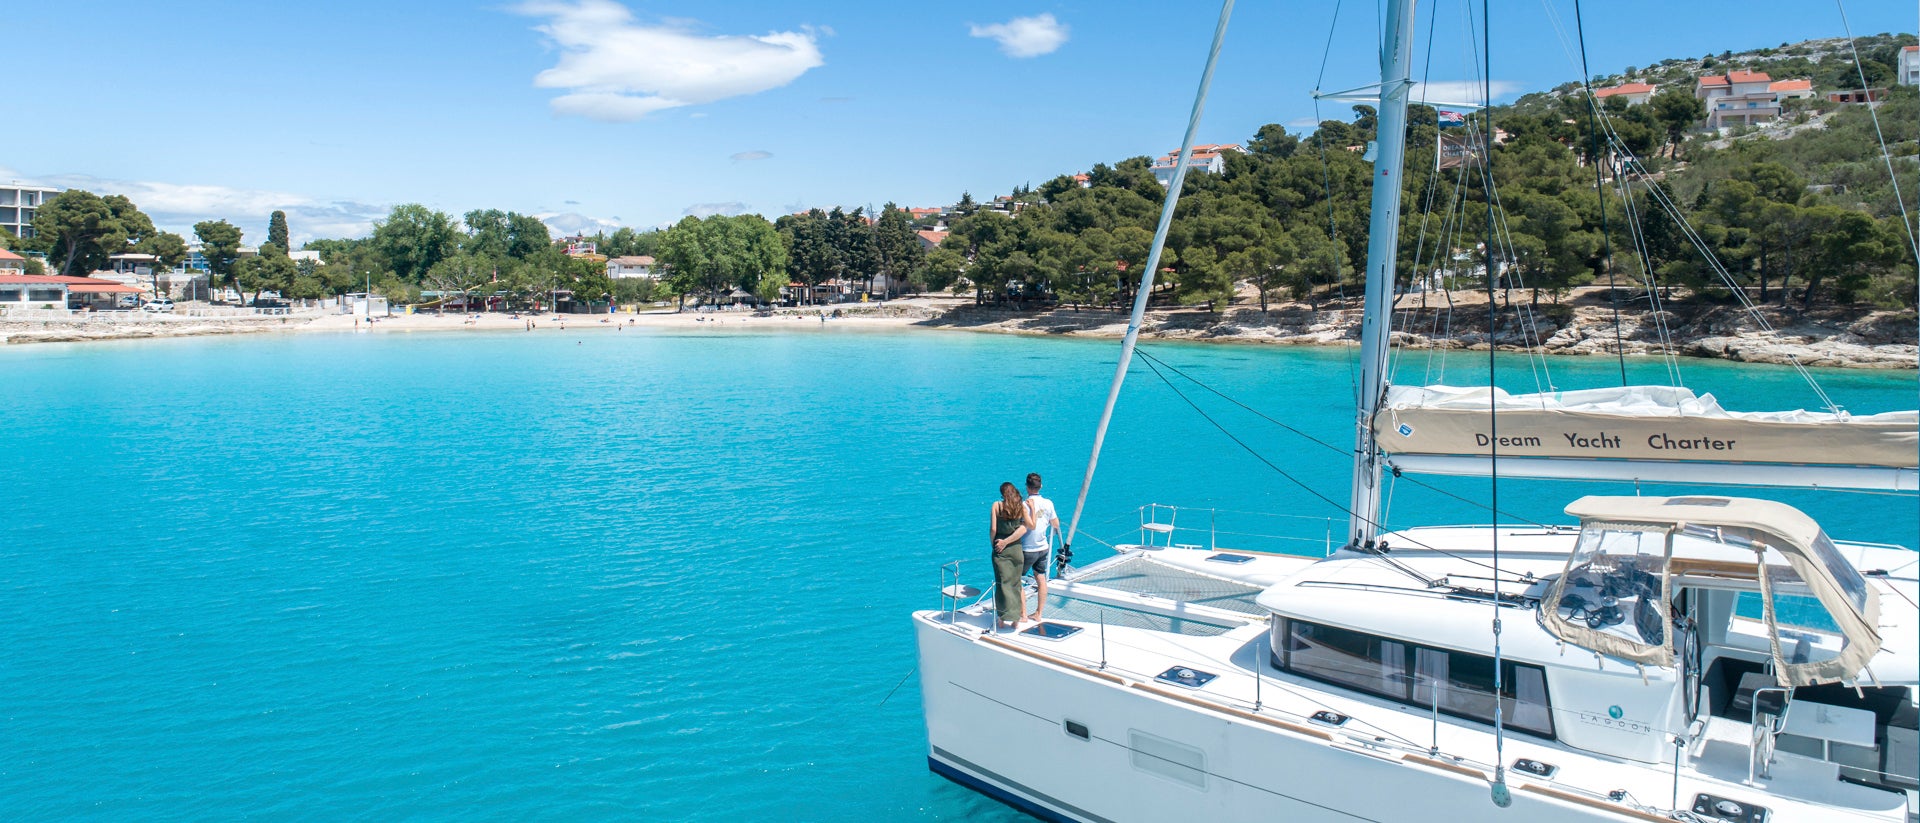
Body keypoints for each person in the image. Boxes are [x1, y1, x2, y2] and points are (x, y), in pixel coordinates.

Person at [989, 481, 1034, 630]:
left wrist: (996, 544)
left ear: (1002, 494)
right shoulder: (1020, 506)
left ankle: (1002, 618)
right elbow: (1026, 527)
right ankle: (1016, 619)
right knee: (1016, 584)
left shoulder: (997, 505)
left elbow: (993, 529)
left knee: (1002, 584)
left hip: (1001, 549)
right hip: (1016, 549)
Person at [1020, 473, 1061, 622]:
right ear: (1040, 486)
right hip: (1043, 547)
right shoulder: (1048, 503)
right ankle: (1038, 613)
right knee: (1041, 578)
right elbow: (1055, 524)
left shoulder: (1024, 505)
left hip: (1026, 549)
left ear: (1027, 487)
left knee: (1015, 579)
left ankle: (1023, 614)